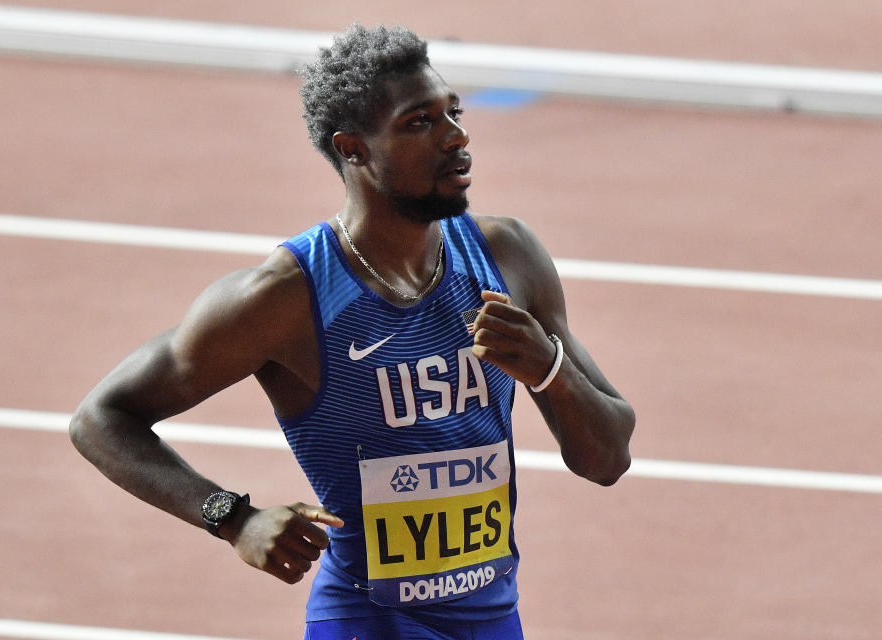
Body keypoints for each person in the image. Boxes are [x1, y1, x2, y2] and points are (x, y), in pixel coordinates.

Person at [69, 23, 635, 640]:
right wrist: (231, 518)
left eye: (454, 112)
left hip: (495, 618)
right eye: (420, 122)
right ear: (354, 148)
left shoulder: (508, 257)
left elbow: (607, 458)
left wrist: (548, 369)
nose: (457, 137)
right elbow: (101, 419)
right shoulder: (285, 297)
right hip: (369, 622)